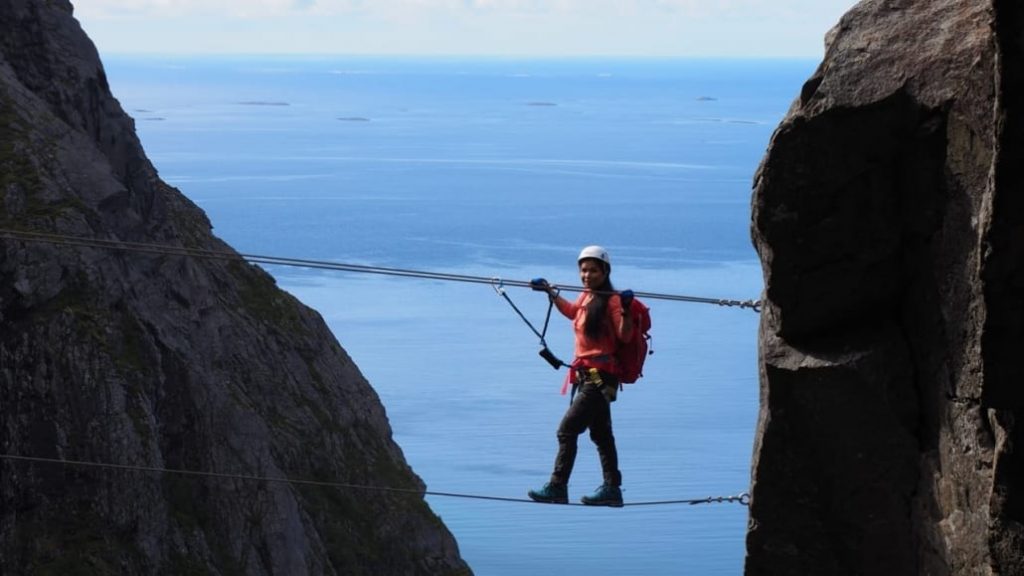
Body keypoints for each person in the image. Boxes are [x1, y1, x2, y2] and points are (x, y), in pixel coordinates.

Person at [527, 245, 634, 507]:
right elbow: (574, 313)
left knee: (567, 431)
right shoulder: (587, 296)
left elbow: (625, 335)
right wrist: (551, 293)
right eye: (583, 270)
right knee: (601, 435)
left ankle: (558, 486)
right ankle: (612, 489)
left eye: (592, 270)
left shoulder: (612, 300)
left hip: (600, 376)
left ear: (605, 271)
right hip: (589, 375)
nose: (587, 275)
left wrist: (627, 309)